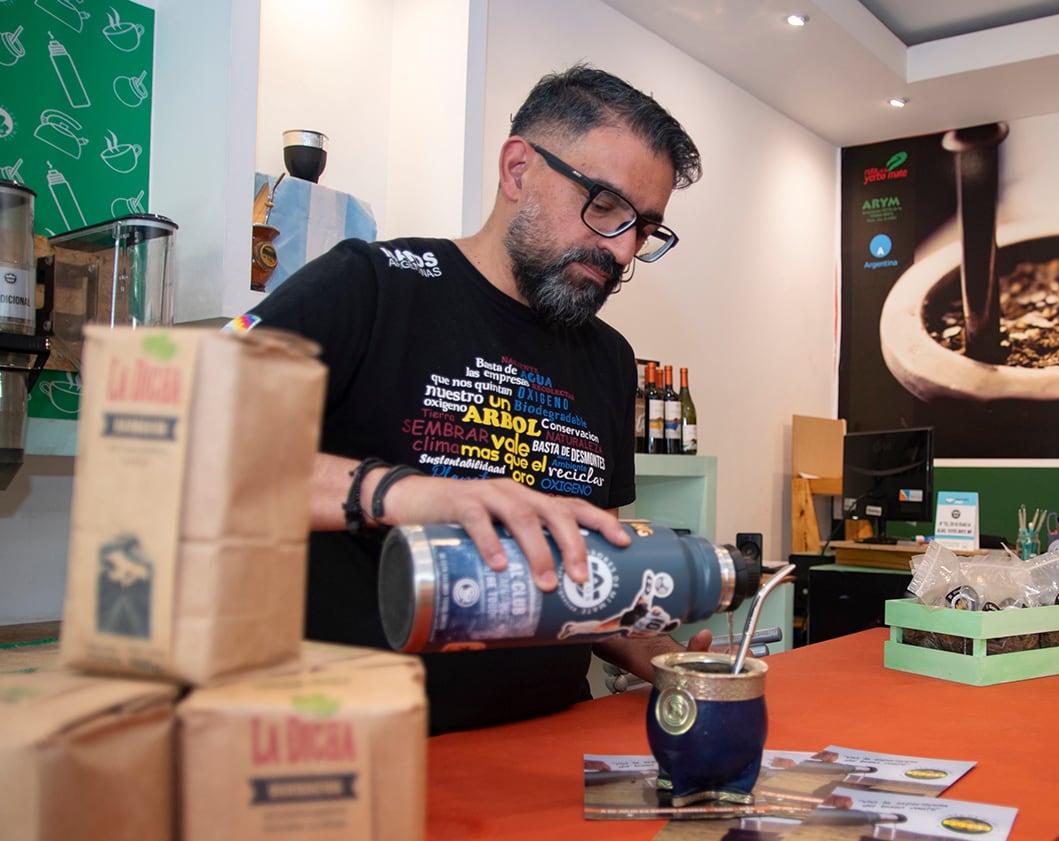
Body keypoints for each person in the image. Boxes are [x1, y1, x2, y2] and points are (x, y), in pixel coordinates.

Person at [235, 64, 707, 733]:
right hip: (363, 748)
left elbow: (584, 576)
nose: (622, 250)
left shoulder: (608, 358)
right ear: (518, 169)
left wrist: (663, 657)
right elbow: (192, 448)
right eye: (603, 206)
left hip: (545, 749)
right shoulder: (370, 287)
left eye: (644, 228)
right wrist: (405, 494)